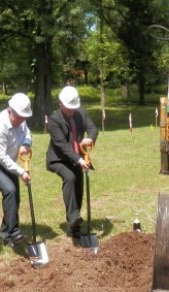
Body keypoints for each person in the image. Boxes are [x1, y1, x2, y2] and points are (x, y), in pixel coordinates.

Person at [0, 93, 33, 247]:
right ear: (10, 111)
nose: (22, 120)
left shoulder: (21, 120)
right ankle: (14, 232)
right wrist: (21, 171)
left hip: (9, 161)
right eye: (20, 116)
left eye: (24, 117)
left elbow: (27, 133)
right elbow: (0, 156)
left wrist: (26, 144)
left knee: (14, 198)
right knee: (9, 190)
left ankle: (5, 236)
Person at [46, 86, 98, 238]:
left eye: (73, 107)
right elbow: (62, 146)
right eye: (69, 108)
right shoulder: (54, 120)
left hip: (78, 158)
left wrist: (90, 138)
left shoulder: (81, 112)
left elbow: (93, 129)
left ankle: (74, 227)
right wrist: (79, 159)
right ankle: (74, 217)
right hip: (59, 159)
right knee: (70, 177)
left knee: (78, 188)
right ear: (60, 104)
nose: (71, 111)